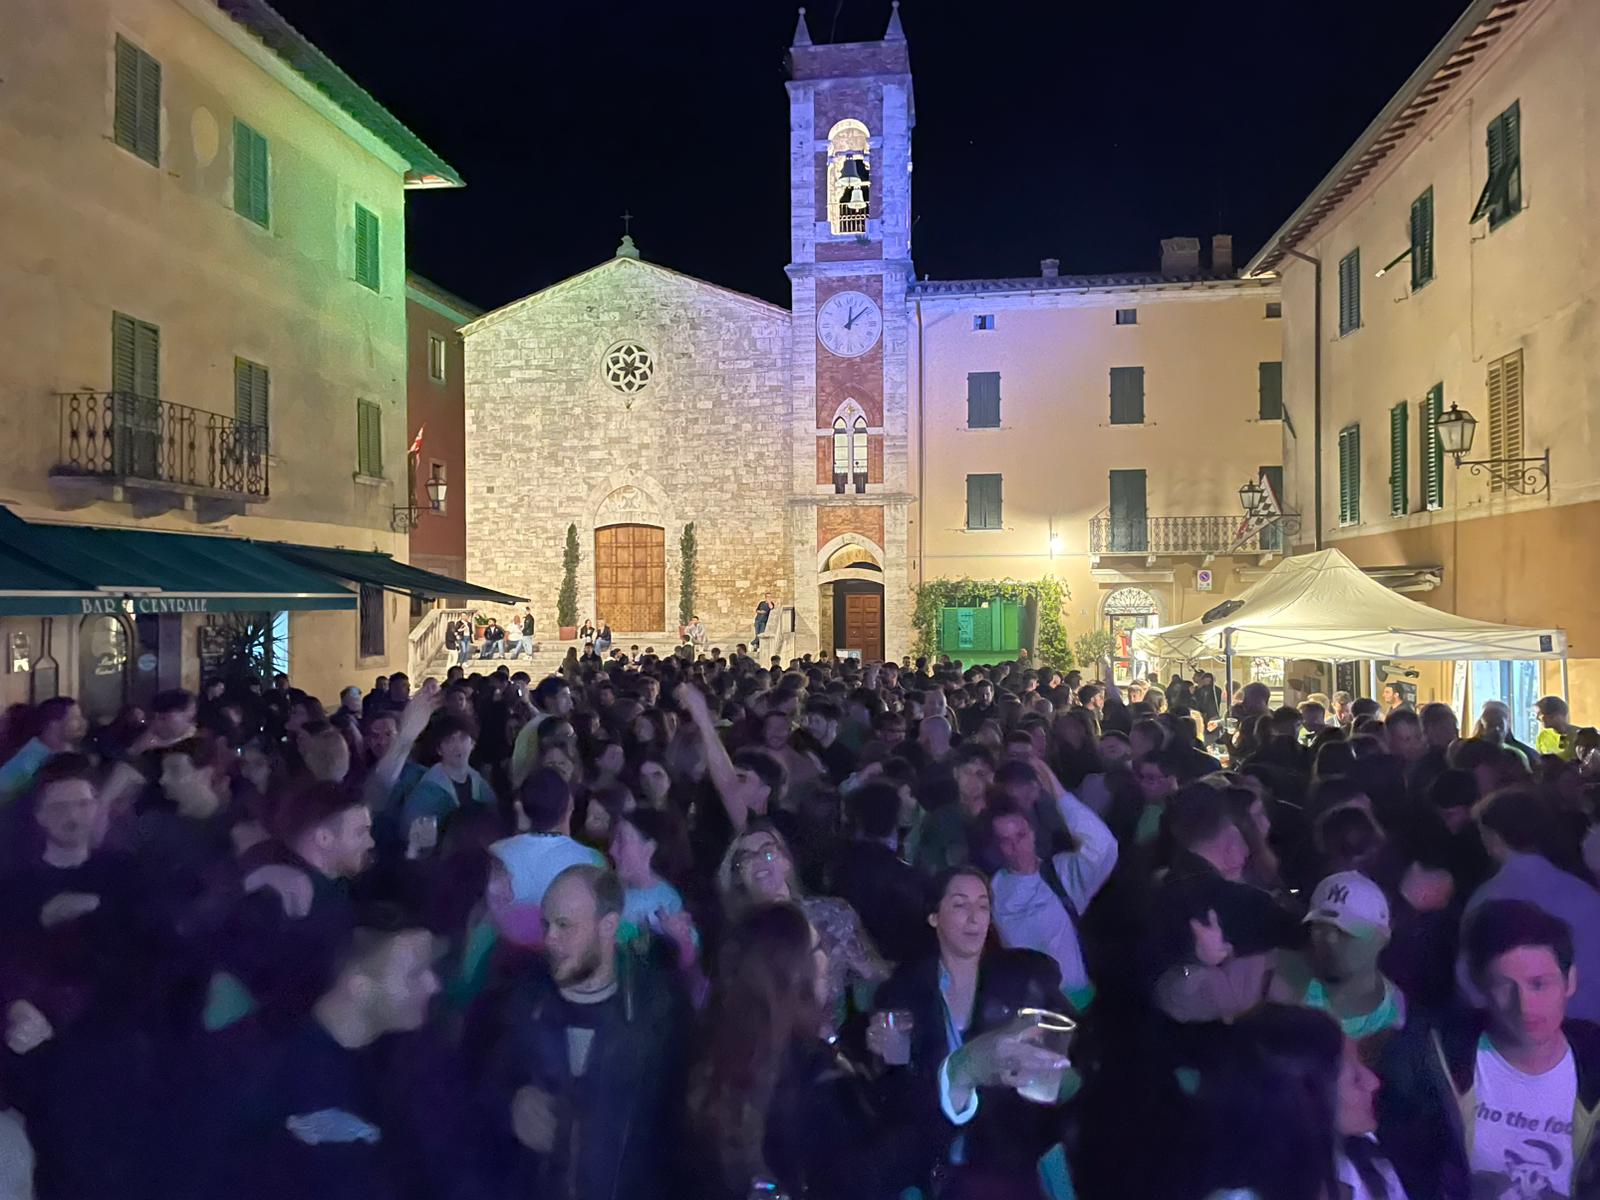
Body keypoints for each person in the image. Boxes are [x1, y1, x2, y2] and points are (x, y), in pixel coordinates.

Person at [871, 867, 1080, 1199]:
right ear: (933, 916)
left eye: (982, 906)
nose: (974, 917)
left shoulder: (1026, 979)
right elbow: (892, 1099)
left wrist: (1052, 1075)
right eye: (960, 905)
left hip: (1009, 1161)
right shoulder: (903, 991)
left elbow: (1076, 1070)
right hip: (934, 1166)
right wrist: (881, 1055)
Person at [1381, 899, 1600, 1200]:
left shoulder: (1593, 1067)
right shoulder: (1430, 1062)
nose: (1524, 1005)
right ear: (1479, 984)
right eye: (1504, 986)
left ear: (1570, 981)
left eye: (1539, 984)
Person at [496, 864, 688, 1200]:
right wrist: (511, 1102)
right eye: (546, 924)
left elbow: (681, 1124)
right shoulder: (521, 1000)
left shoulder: (658, 1009)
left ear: (608, 926)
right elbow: (480, 1088)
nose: (549, 938)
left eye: (564, 926)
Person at [718, 820, 889, 1032]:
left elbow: (874, 977)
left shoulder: (831, 914)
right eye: (746, 858)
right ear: (738, 877)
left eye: (768, 852)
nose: (759, 860)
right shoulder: (740, 935)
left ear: (786, 862)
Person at [1461, 786, 1600, 1024]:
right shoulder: (1583, 891)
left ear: (1494, 837)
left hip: (1528, 1034)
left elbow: (1471, 984)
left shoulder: (1489, 898)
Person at [982, 769, 1119, 1009]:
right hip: (1025, 1009)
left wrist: (1057, 790)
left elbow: (1103, 846)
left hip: (1077, 1003)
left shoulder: (1061, 874)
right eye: (1005, 840)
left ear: (1033, 833)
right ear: (996, 845)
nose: (1016, 846)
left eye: (1021, 835)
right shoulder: (993, 888)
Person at [1271, 871, 1406, 1043]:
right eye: (1320, 927)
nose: (1329, 939)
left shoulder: (1398, 1014)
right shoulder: (1271, 978)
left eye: (1345, 930)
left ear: (1382, 936)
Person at [398, 713, 494, 838]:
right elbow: (412, 835)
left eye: (463, 738)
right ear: (439, 749)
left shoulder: (479, 783)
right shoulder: (427, 791)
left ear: (472, 744)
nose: (457, 746)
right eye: (449, 740)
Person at [0, 698, 86, 805]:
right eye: (75, 719)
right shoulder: (27, 763)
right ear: (53, 724)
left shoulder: (73, 754)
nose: (81, 723)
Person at [1536, 696, 1580, 761]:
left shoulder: (1581, 735)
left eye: (1540, 714)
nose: (1537, 718)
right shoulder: (1542, 736)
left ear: (1555, 715)